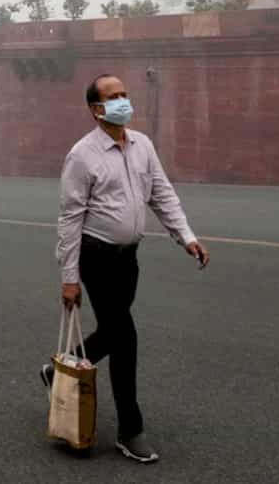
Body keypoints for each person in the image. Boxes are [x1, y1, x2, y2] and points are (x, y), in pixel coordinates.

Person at [43, 73, 210, 465]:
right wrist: (69, 279)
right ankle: (130, 429)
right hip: (96, 257)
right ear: (96, 109)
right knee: (126, 337)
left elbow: (162, 193)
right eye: (113, 96)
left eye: (124, 94)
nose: (123, 101)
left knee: (114, 332)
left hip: (128, 260)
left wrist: (185, 236)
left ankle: (56, 372)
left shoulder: (142, 146)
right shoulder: (82, 156)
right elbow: (69, 219)